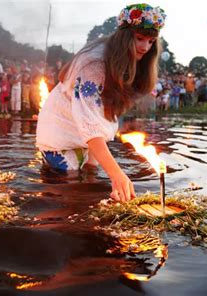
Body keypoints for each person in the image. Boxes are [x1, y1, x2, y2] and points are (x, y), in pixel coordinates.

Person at [36, 3, 166, 202]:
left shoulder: (124, 61)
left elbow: (101, 117)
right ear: (125, 36)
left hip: (87, 134)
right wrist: (117, 175)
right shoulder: (95, 63)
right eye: (139, 38)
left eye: (151, 42)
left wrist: (94, 168)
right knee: (67, 189)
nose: (144, 47)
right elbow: (89, 123)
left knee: (90, 180)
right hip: (60, 132)